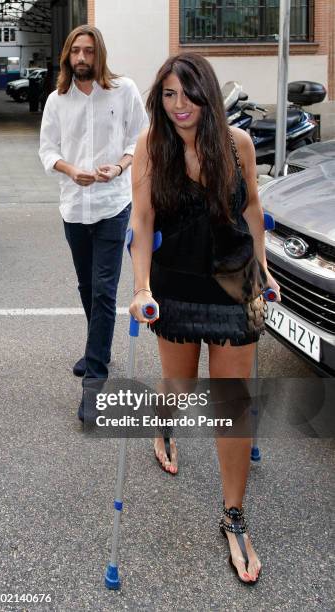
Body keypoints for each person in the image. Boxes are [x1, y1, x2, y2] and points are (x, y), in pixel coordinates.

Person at [129, 53, 280, 584]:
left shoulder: (237, 147)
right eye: (168, 95)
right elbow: (142, 223)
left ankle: (234, 515)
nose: (178, 105)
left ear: (208, 95)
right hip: (176, 284)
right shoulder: (151, 147)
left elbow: (253, 211)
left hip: (236, 284)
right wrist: (142, 287)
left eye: (187, 94)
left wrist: (262, 271)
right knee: (180, 384)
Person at [39, 25, 148, 420]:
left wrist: (119, 167)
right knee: (87, 284)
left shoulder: (124, 90)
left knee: (104, 289)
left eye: (88, 51)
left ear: (99, 54)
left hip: (112, 204)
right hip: (74, 206)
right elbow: (47, 149)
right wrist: (71, 170)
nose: (81, 59)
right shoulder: (57, 100)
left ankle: (95, 383)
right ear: (67, 57)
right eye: (75, 52)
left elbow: (141, 137)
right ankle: (96, 348)